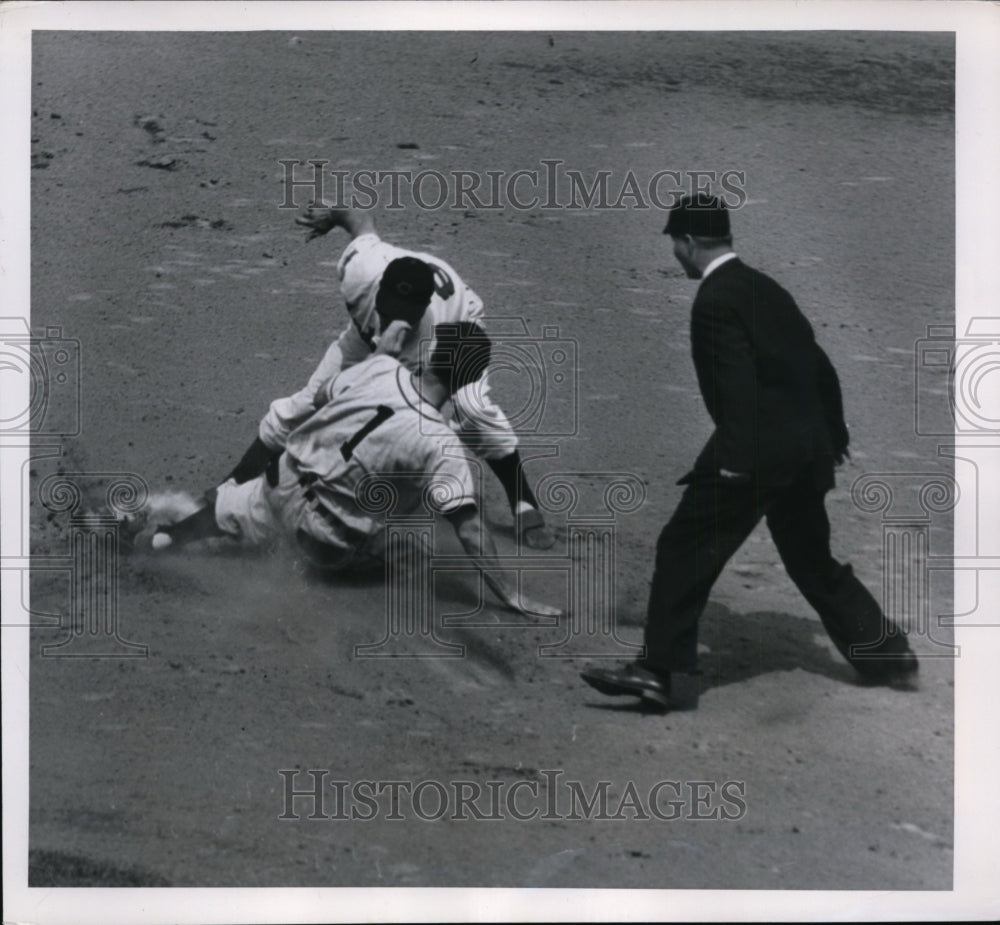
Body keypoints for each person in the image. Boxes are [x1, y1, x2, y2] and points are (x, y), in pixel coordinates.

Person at [581, 194, 917, 710]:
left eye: (674, 243)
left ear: (688, 242)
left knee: (684, 546)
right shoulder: (767, 288)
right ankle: (887, 653)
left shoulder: (714, 301)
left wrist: (733, 466)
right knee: (810, 559)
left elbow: (734, 389)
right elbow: (819, 365)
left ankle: (656, 671)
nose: (674, 253)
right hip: (806, 450)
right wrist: (832, 437)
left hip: (755, 453)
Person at [131, 321, 560, 620]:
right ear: (469, 382)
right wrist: (510, 593)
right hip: (321, 540)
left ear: (430, 356)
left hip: (277, 486)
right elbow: (470, 530)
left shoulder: (381, 368)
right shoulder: (443, 447)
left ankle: (164, 537)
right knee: (416, 552)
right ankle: (310, 574)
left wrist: (379, 360)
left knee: (229, 508)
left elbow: (322, 397)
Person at [224, 206, 555, 550]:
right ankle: (232, 484)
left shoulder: (432, 338)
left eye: (405, 318)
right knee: (305, 403)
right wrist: (331, 215)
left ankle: (523, 499)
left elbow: (412, 415)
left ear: (420, 310)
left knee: (471, 412)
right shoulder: (362, 268)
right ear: (379, 290)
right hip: (363, 335)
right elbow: (359, 218)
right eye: (389, 313)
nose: (394, 326)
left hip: (460, 320)